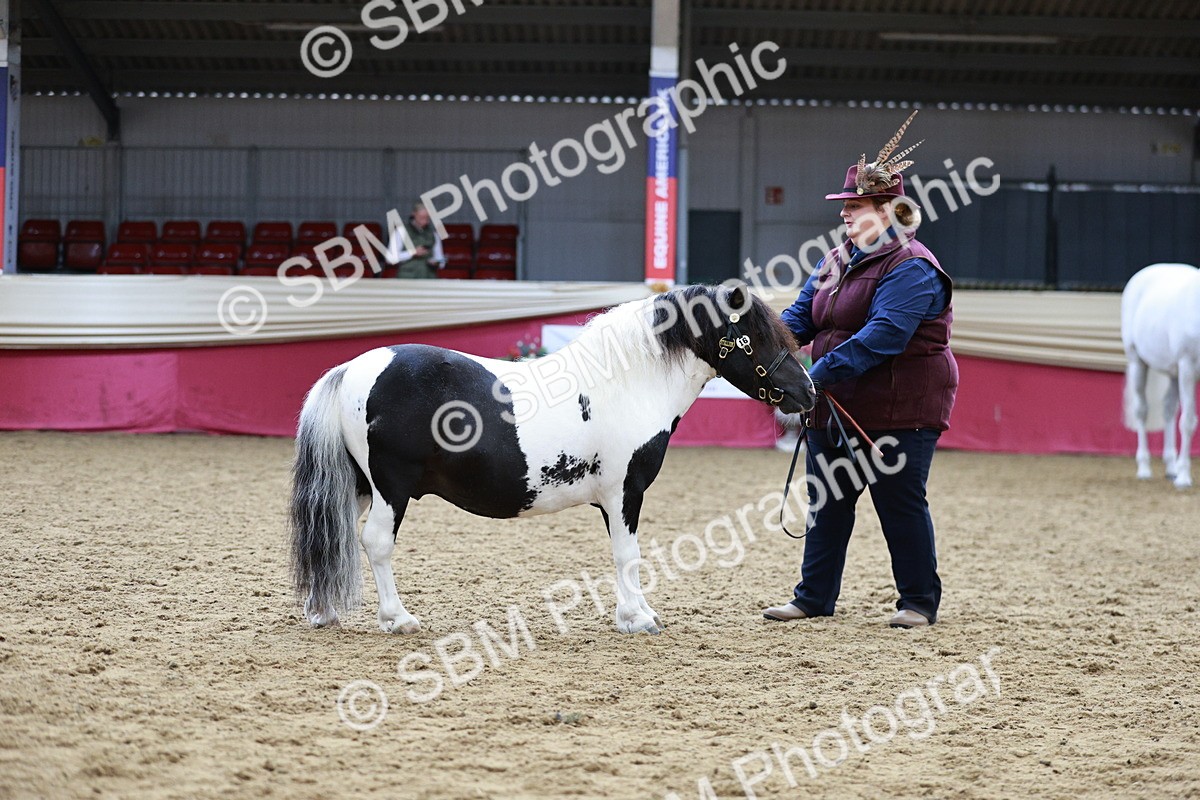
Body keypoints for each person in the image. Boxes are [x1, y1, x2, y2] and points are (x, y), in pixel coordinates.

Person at [763, 111, 958, 629]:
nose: (846, 215)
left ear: (889, 211)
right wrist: (769, 350)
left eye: (855, 207)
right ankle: (813, 598)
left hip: (901, 410)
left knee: (899, 504)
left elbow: (884, 337)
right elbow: (801, 315)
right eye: (845, 208)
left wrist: (814, 375)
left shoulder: (913, 267)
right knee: (826, 503)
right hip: (836, 407)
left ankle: (918, 602)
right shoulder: (836, 257)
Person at [386, 202, 445, 279]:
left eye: (427, 218)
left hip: (429, 278)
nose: (424, 221)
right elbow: (390, 258)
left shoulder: (433, 234)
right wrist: (412, 253)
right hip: (407, 278)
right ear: (414, 214)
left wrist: (437, 262)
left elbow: (440, 259)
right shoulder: (401, 232)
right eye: (421, 217)